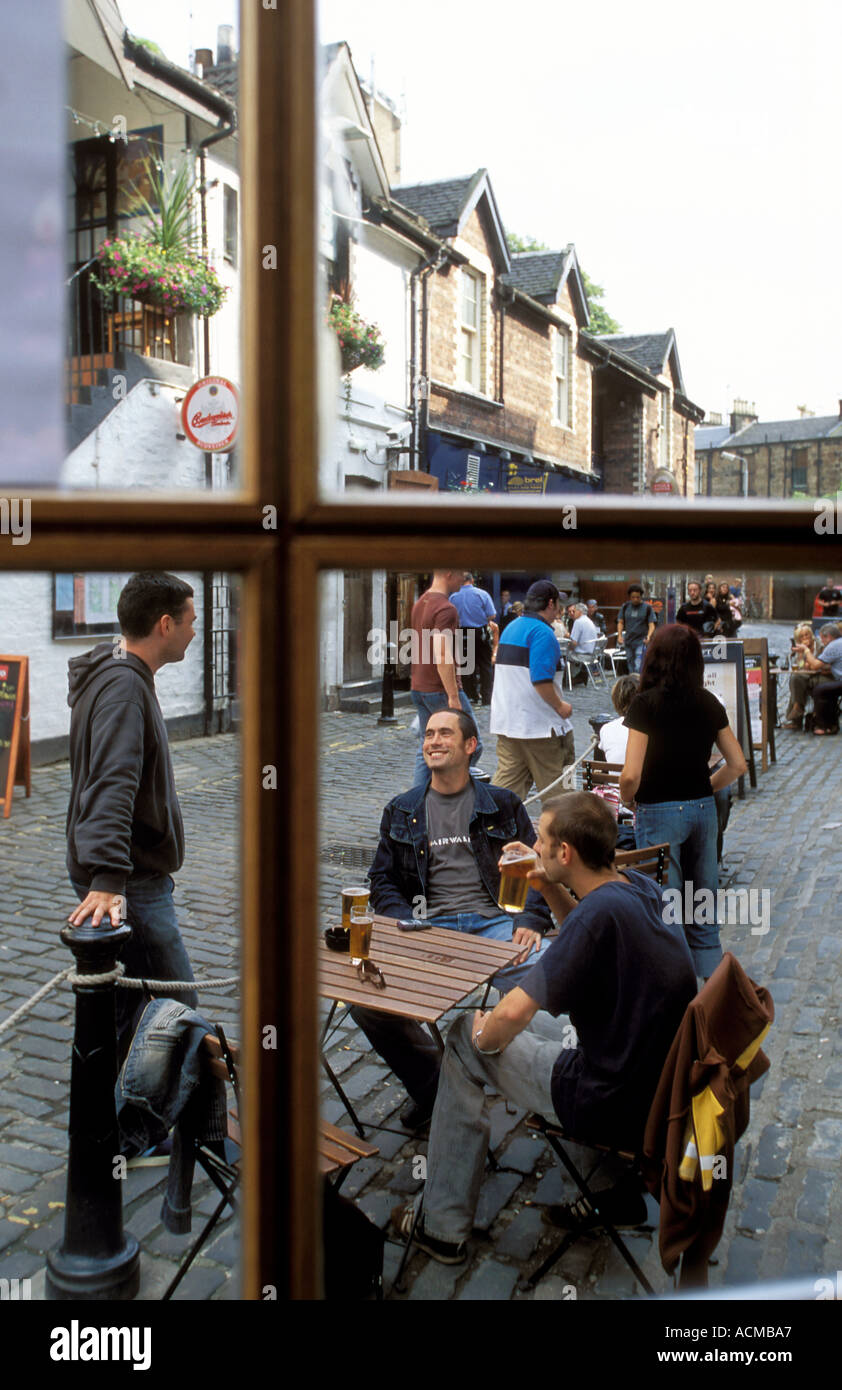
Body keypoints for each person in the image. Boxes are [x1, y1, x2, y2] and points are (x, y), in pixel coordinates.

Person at [390, 793, 697, 1264]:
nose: (533, 845)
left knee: (461, 1036)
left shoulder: (599, 916)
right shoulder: (634, 886)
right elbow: (584, 936)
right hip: (650, 1076)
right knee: (504, 1017)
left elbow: (515, 1012)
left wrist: (481, 1037)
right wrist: (548, 885)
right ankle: (613, 1193)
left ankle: (441, 1227)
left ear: (566, 853)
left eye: (542, 840)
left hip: (609, 1097)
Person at [350, 707, 555, 1130]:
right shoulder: (402, 809)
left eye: (445, 733)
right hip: (429, 926)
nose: (433, 741)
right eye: (428, 734)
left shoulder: (502, 804)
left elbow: (538, 865)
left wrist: (533, 919)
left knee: (558, 976)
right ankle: (438, 1089)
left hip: (495, 924)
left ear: (470, 746)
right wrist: (406, 921)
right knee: (366, 1003)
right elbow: (381, 881)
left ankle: (562, 1091)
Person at [66, 571, 199, 1056]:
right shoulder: (124, 686)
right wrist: (107, 879)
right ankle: (142, 1130)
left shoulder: (121, 672)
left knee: (130, 1017)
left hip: (129, 878)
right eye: (190, 619)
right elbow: (112, 782)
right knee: (178, 1016)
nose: (194, 628)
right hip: (132, 886)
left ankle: (124, 1126)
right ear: (165, 624)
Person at [619, 624, 747, 978]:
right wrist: (705, 786)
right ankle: (712, 993)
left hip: (658, 811)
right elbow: (737, 764)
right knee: (703, 902)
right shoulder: (707, 702)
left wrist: (626, 799)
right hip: (702, 809)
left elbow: (630, 775)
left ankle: (673, 989)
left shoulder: (644, 704)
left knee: (667, 905)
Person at [489, 579, 575, 805]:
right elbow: (541, 680)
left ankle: (491, 831)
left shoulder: (511, 627)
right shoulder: (543, 633)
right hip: (540, 727)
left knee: (507, 788)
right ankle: (562, 836)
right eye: (558, 603)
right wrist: (560, 706)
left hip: (509, 724)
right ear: (550, 603)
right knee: (560, 791)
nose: (559, 609)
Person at [409, 568, 488, 784]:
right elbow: (442, 653)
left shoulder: (421, 603)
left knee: (427, 747)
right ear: (449, 573)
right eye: (462, 574)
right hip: (440, 689)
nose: (464, 580)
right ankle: (444, 791)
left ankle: (419, 800)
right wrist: (453, 696)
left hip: (420, 687)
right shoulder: (446, 608)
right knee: (472, 743)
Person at [448, 572, 499, 705]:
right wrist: (480, 618)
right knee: (485, 666)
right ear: (472, 580)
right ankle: (487, 698)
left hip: (461, 633)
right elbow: (492, 615)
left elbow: (450, 616)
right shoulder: (481, 594)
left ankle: (470, 696)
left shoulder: (453, 596)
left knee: (465, 666)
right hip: (479, 632)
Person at [783, 622, 842, 731]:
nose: (805, 637)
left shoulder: (822, 645)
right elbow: (801, 667)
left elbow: (820, 666)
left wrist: (807, 653)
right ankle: (798, 709)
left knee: (806, 684)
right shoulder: (800, 647)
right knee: (796, 679)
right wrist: (801, 655)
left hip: (826, 676)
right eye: (802, 636)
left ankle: (805, 717)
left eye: (807, 634)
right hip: (810, 675)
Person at [807, 624, 842, 735]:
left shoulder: (833, 646)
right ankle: (832, 725)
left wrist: (806, 651)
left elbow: (815, 665)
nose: (822, 641)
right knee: (829, 690)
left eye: (822, 638)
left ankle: (823, 725)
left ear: (829, 637)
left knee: (820, 690)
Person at [615, 584, 657, 674]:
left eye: (638, 597)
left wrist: (649, 637)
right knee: (630, 665)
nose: (635, 599)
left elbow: (651, 624)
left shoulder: (647, 608)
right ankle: (633, 684)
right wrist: (619, 636)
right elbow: (621, 622)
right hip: (629, 641)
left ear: (641, 596)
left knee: (638, 665)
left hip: (641, 641)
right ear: (630, 597)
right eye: (633, 597)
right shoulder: (625, 607)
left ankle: (638, 683)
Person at [566, 603, 600, 685]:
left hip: (581, 655)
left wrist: (567, 648)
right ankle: (579, 676)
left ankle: (569, 679)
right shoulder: (589, 621)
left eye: (575, 611)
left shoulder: (578, 622)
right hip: (591, 654)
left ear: (579, 611)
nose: (573, 613)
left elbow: (573, 643)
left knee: (562, 655)